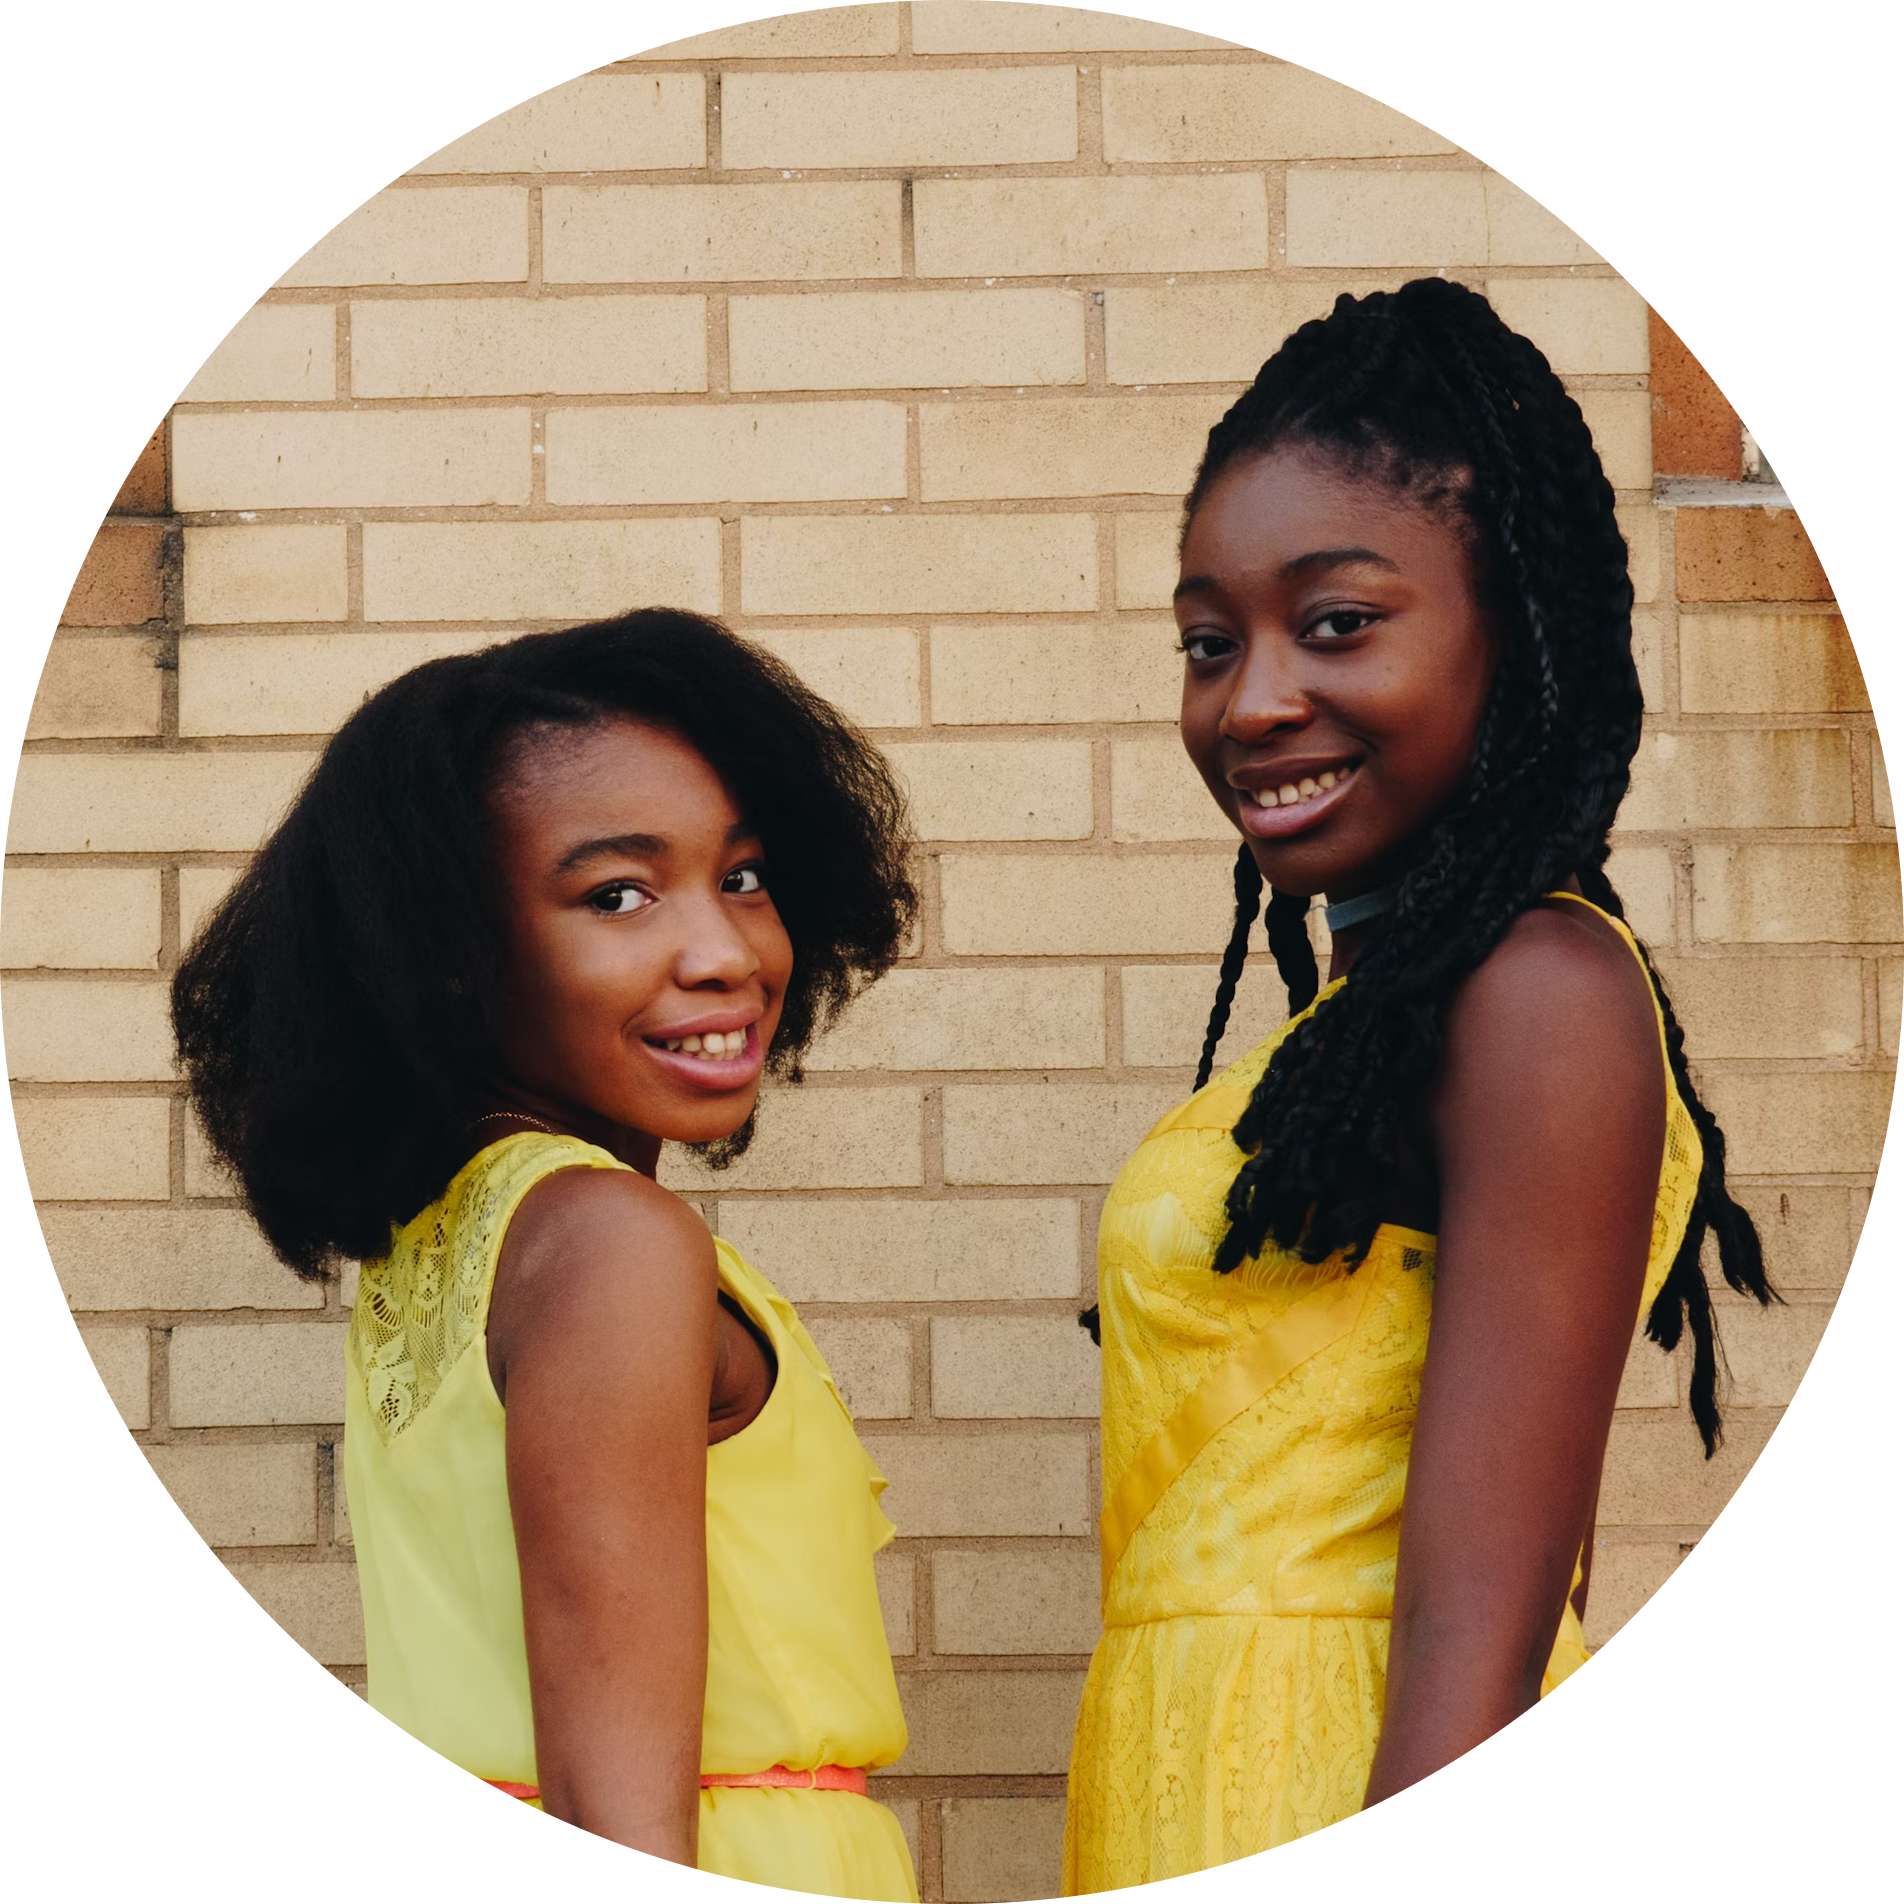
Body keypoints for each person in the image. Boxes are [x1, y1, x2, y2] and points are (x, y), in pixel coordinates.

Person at [1063, 279, 1775, 1889]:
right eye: (1206, 641)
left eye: (1336, 624)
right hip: (1190, 1778)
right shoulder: (1383, 1013)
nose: (1249, 702)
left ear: (1512, 628)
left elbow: (1489, 1613)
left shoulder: (1536, 992)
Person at [173, 613, 921, 1897]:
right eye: (616, 894)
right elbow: (614, 1803)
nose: (725, 951)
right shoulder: (608, 1243)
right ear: (454, 960)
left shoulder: (468, 1241)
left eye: (741, 874)